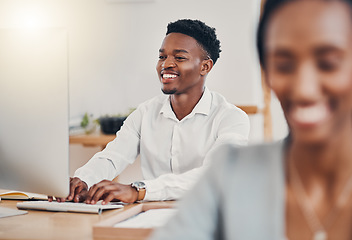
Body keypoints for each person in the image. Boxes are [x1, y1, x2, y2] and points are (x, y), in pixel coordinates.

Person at [150, 0, 352, 239]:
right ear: (267, 74)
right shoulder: (230, 173)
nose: (304, 89)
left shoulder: (230, 118)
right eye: (284, 65)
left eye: (328, 64)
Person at [55, 19, 250, 204]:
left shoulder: (232, 118)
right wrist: (83, 180)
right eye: (162, 57)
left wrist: (139, 190)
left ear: (205, 66)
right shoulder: (145, 112)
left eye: (179, 57)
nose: (166, 64)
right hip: (151, 214)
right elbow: (112, 157)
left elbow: (214, 174)